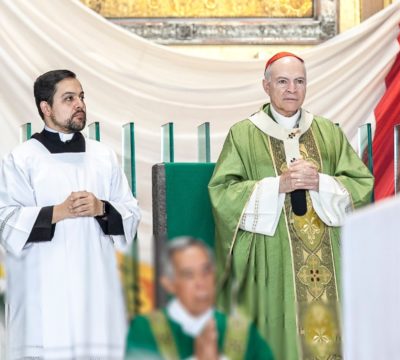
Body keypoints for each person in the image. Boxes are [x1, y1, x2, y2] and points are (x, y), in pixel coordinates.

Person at [208, 52, 374, 359]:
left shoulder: (328, 132)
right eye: (282, 81)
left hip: (328, 258)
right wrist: (277, 187)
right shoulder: (243, 134)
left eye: (299, 81)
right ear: (266, 85)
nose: (291, 89)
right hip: (274, 259)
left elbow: (361, 185)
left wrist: (321, 183)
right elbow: (223, 192)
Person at [0, 69, 141, 359]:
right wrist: (58, 212)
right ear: (46, 108)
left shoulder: (103, 156)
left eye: (81, 97)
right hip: (43, 291)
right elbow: (7, 221)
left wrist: (102, 208)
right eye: (68, 98)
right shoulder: (23, 158)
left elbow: (131, 213)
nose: (79, 104)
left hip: (95, 286)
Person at [126, 236, 273, 360]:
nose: (201, 283)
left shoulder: (244, 335)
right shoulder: (145, 330)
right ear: (169, 284)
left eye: (206, 271)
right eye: (188, 275)